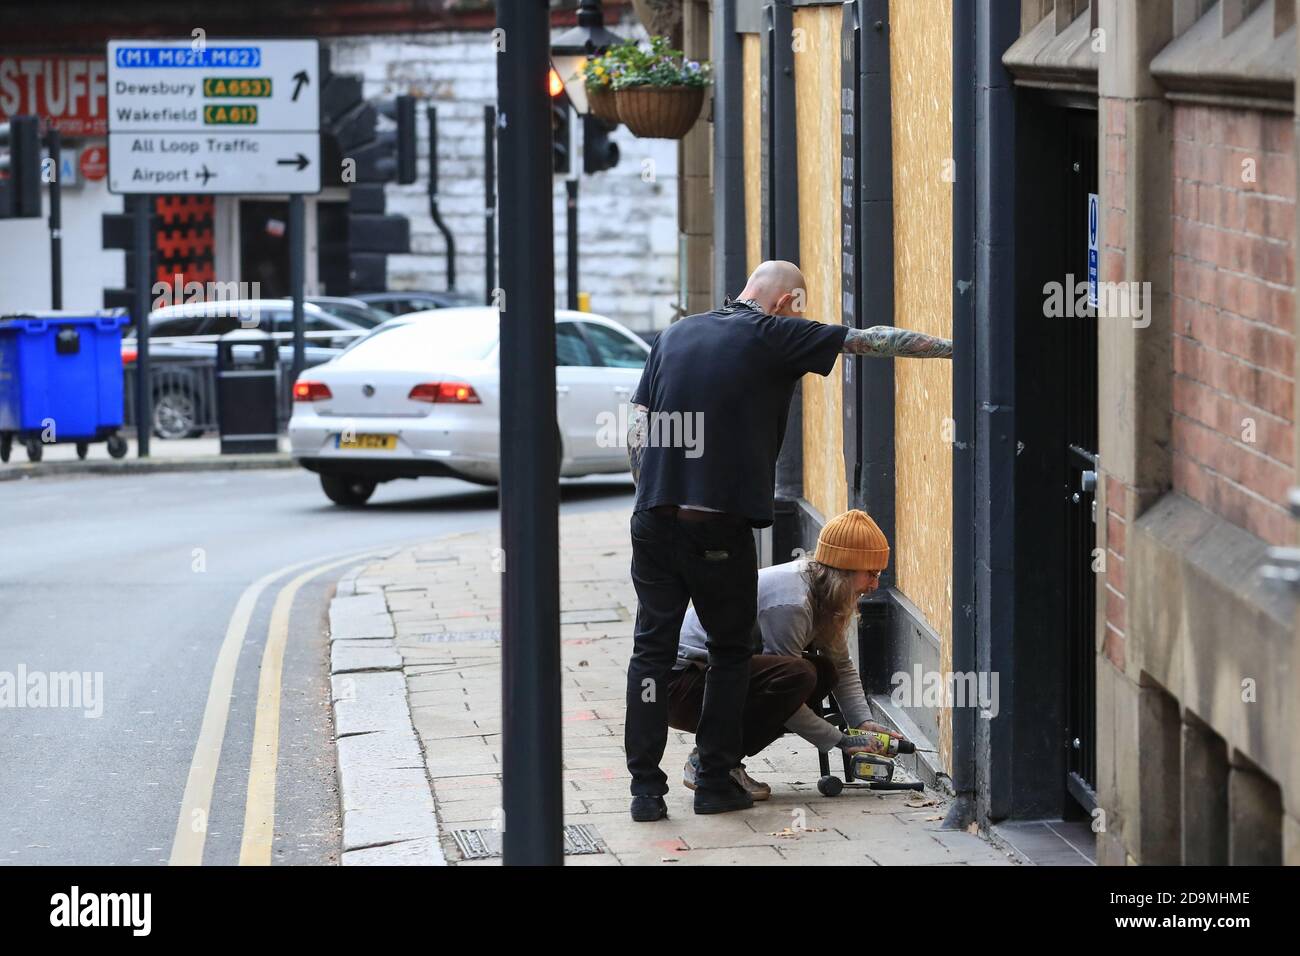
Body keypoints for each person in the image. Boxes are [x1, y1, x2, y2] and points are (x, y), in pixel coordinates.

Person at [624, 260, 951, 822]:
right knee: (732, 651)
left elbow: (637, 423)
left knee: (650, 649)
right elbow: (871, 341)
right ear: (787, 302)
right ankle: (714, 781)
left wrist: (650, 493)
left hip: (653, 519)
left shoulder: (675, 333)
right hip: (718, 527)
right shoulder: (778, 335)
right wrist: (955, 347)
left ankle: (646, 793)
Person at [670, 510, 906, 797]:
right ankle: (711, 762)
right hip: (680, 686)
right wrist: (839, 741)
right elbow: (787, 697)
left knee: (823, 672)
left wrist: (863, 724)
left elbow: (841, 666)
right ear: (845, 571)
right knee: (799, 675)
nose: (874, 585)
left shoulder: (823, 590)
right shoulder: (793, 603)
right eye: (871, 574)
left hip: (710, 678)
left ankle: (719, 758)